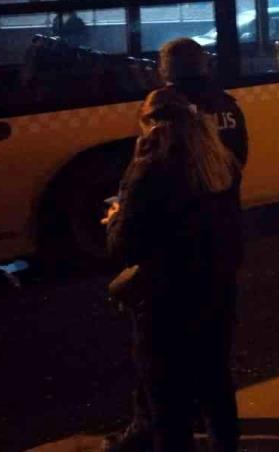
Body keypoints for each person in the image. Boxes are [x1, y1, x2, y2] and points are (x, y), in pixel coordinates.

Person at [104, 38, 249, 452]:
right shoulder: (225, 130)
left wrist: (116, 219)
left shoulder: (149, 170)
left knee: (164, 389)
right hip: (219, 269)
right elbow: (239, 163)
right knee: (215, 373)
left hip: (167, 289)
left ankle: (145, 429)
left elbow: (125, 244)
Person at [157, 38, 248, 170]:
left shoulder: (163, 108)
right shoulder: (226, 103)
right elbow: (240, 153)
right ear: (204, 65)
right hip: (227, 186)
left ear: (166, 70)